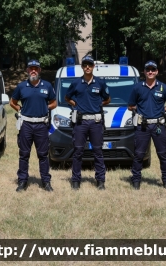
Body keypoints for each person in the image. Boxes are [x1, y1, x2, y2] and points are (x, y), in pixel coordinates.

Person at [128, 60, 166, 190]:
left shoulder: (163, 87)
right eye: (148, 69)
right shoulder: (137, 87)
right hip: (142, 126)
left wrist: (161, 110)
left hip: (158, 126)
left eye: (153, 70)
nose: (150, 72)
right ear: (144, 72)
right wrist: (139, 109)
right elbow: (130, 106)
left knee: (163, 154)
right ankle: (136, 180)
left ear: (157, 72)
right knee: (139, 154)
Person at [10, 59, 57, 192]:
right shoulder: (21, 86)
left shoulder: (47, 86)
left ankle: (46, 182)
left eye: (36, 68)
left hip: (42, 125)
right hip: (26, 125)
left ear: (40, 70)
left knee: (43, 155)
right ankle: (22, 181)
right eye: (31, 68)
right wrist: (19, 109)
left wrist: (45, 106)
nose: (33, 70)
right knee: (24, 154)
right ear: (27, 70)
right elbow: (12, 102)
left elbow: (54, 103)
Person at [65, 55, 111, 190]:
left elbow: (107, 99)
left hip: (96, 122)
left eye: (90, 65)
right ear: (82, 67)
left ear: (93, 67)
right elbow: (67, 97)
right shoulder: (76, 83)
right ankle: (75, 181)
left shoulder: (100, 83)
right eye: (85, 65)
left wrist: (98, 104)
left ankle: (100, 180)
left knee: (97, 151)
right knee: (78, 151)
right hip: (80, 122)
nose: (87, 67)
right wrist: (76, 104)